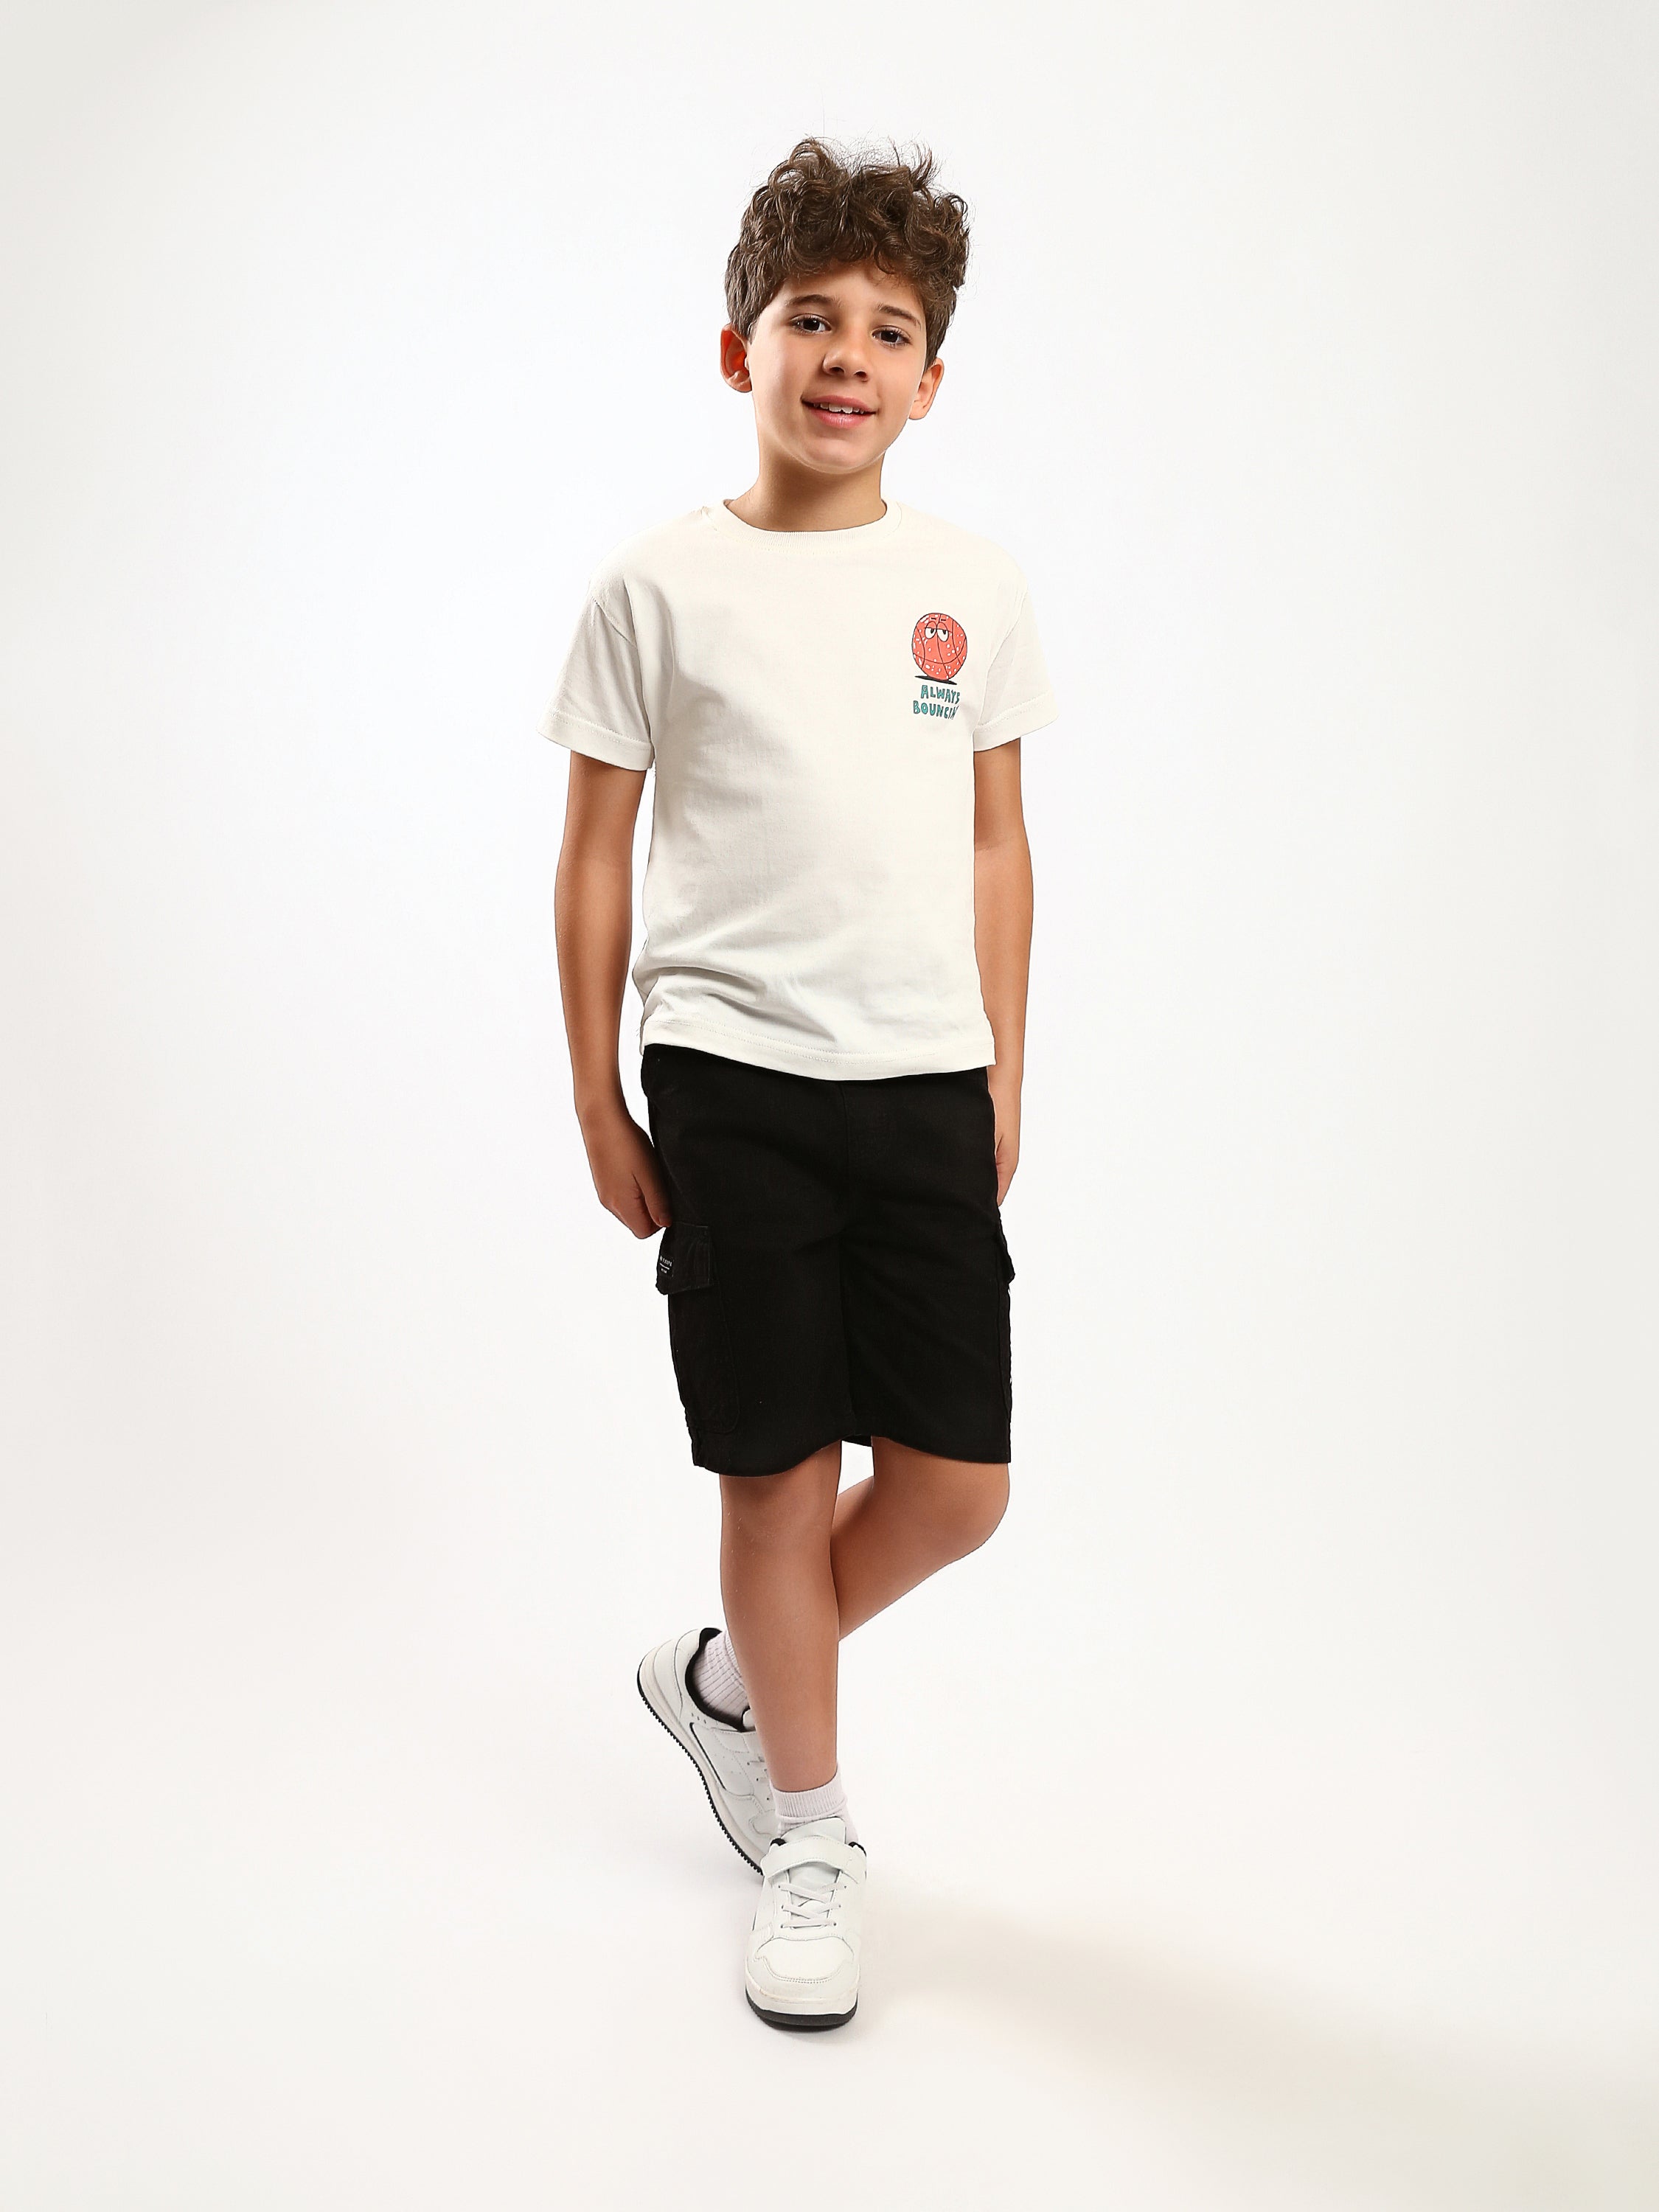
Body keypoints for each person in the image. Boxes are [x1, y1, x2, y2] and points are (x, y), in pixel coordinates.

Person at [540, 135, 1059, 2031]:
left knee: (956, 1485)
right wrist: (601, 1099)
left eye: (888, 330)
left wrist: (1005, 1072)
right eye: (810, 317)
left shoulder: (971, 589)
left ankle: (731, 1684)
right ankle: (809, 1834)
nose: (847, 354)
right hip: (731, 1080)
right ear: (736, 349)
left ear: (932, 381)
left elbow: (998, 843)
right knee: (777, 1469)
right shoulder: (657, 589)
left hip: (923, 1078)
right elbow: (596, 856)